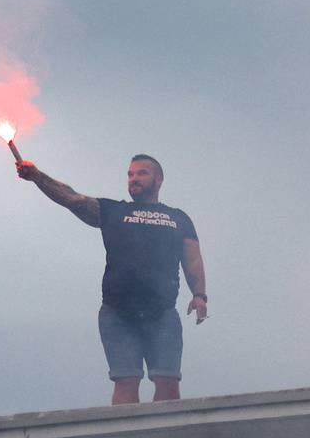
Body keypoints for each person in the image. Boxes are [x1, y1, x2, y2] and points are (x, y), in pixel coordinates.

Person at [16, 153, 207, 404]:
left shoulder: (178, 218)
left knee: (168, 382)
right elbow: (73, 198)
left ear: (158, 179)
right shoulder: (113, 211)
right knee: (126, 381)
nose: (134, 179)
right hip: (118, 313)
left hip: (161, 313)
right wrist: (37, 177)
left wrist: (200, 295)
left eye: (141, 173)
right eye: (130, 174)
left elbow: (192, 257)